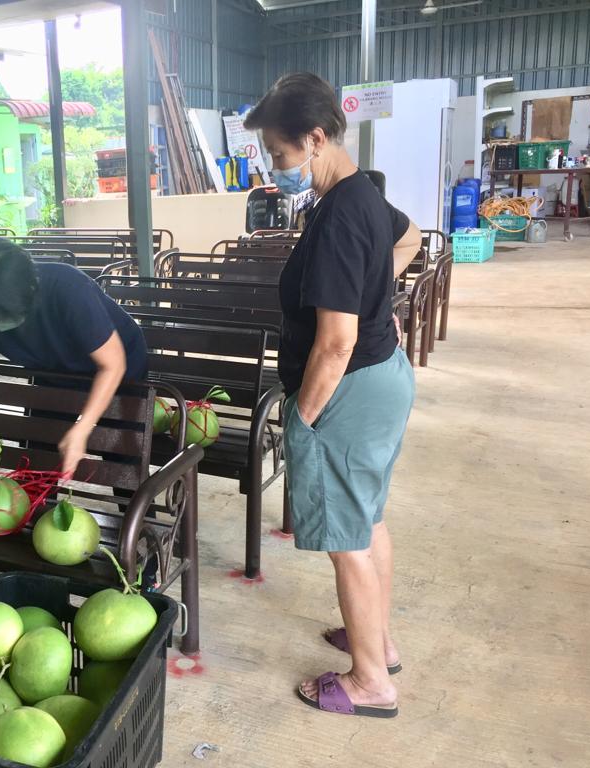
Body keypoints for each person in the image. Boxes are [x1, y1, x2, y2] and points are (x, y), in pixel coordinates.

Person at [243, 73, 421, 718]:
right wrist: (380, 298)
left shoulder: (342, 214)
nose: (275, 165)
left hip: (347, 389)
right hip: (382, 379)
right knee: (368, 519)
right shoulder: (361, 193)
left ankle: (372, 683)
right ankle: (380, 642)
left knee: (348, 538)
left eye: (281, 153)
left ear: (316, 139)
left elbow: (336, 342)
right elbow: (411, 237)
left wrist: (303, 416)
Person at [0, 239, 148, 477]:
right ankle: (39, 510)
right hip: (53, 370)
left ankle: (134, 514)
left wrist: (84, 427)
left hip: (117, 368)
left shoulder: (68, 289)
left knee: (120, 450)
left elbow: (113, 364)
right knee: (40, 447)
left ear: (27, 296)